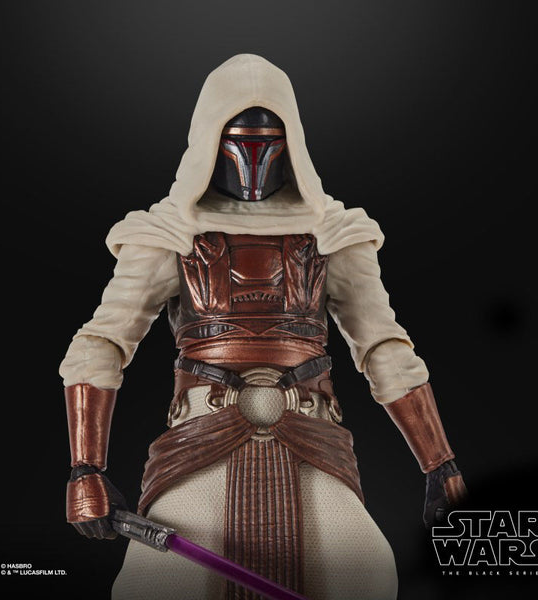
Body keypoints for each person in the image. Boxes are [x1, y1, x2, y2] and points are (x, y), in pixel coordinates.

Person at [60, 53, 466, 600]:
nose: (253, 163)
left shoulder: (332, 234)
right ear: (209, 141)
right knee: (154, 587)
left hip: (311, 438)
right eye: (239, 143)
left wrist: (440, 463)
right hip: (201, 440)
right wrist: (85, 467)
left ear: (291, 143)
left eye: (268, 143)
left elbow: (383, 347)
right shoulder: (169, 234)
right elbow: (101, 343)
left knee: (368, 575)